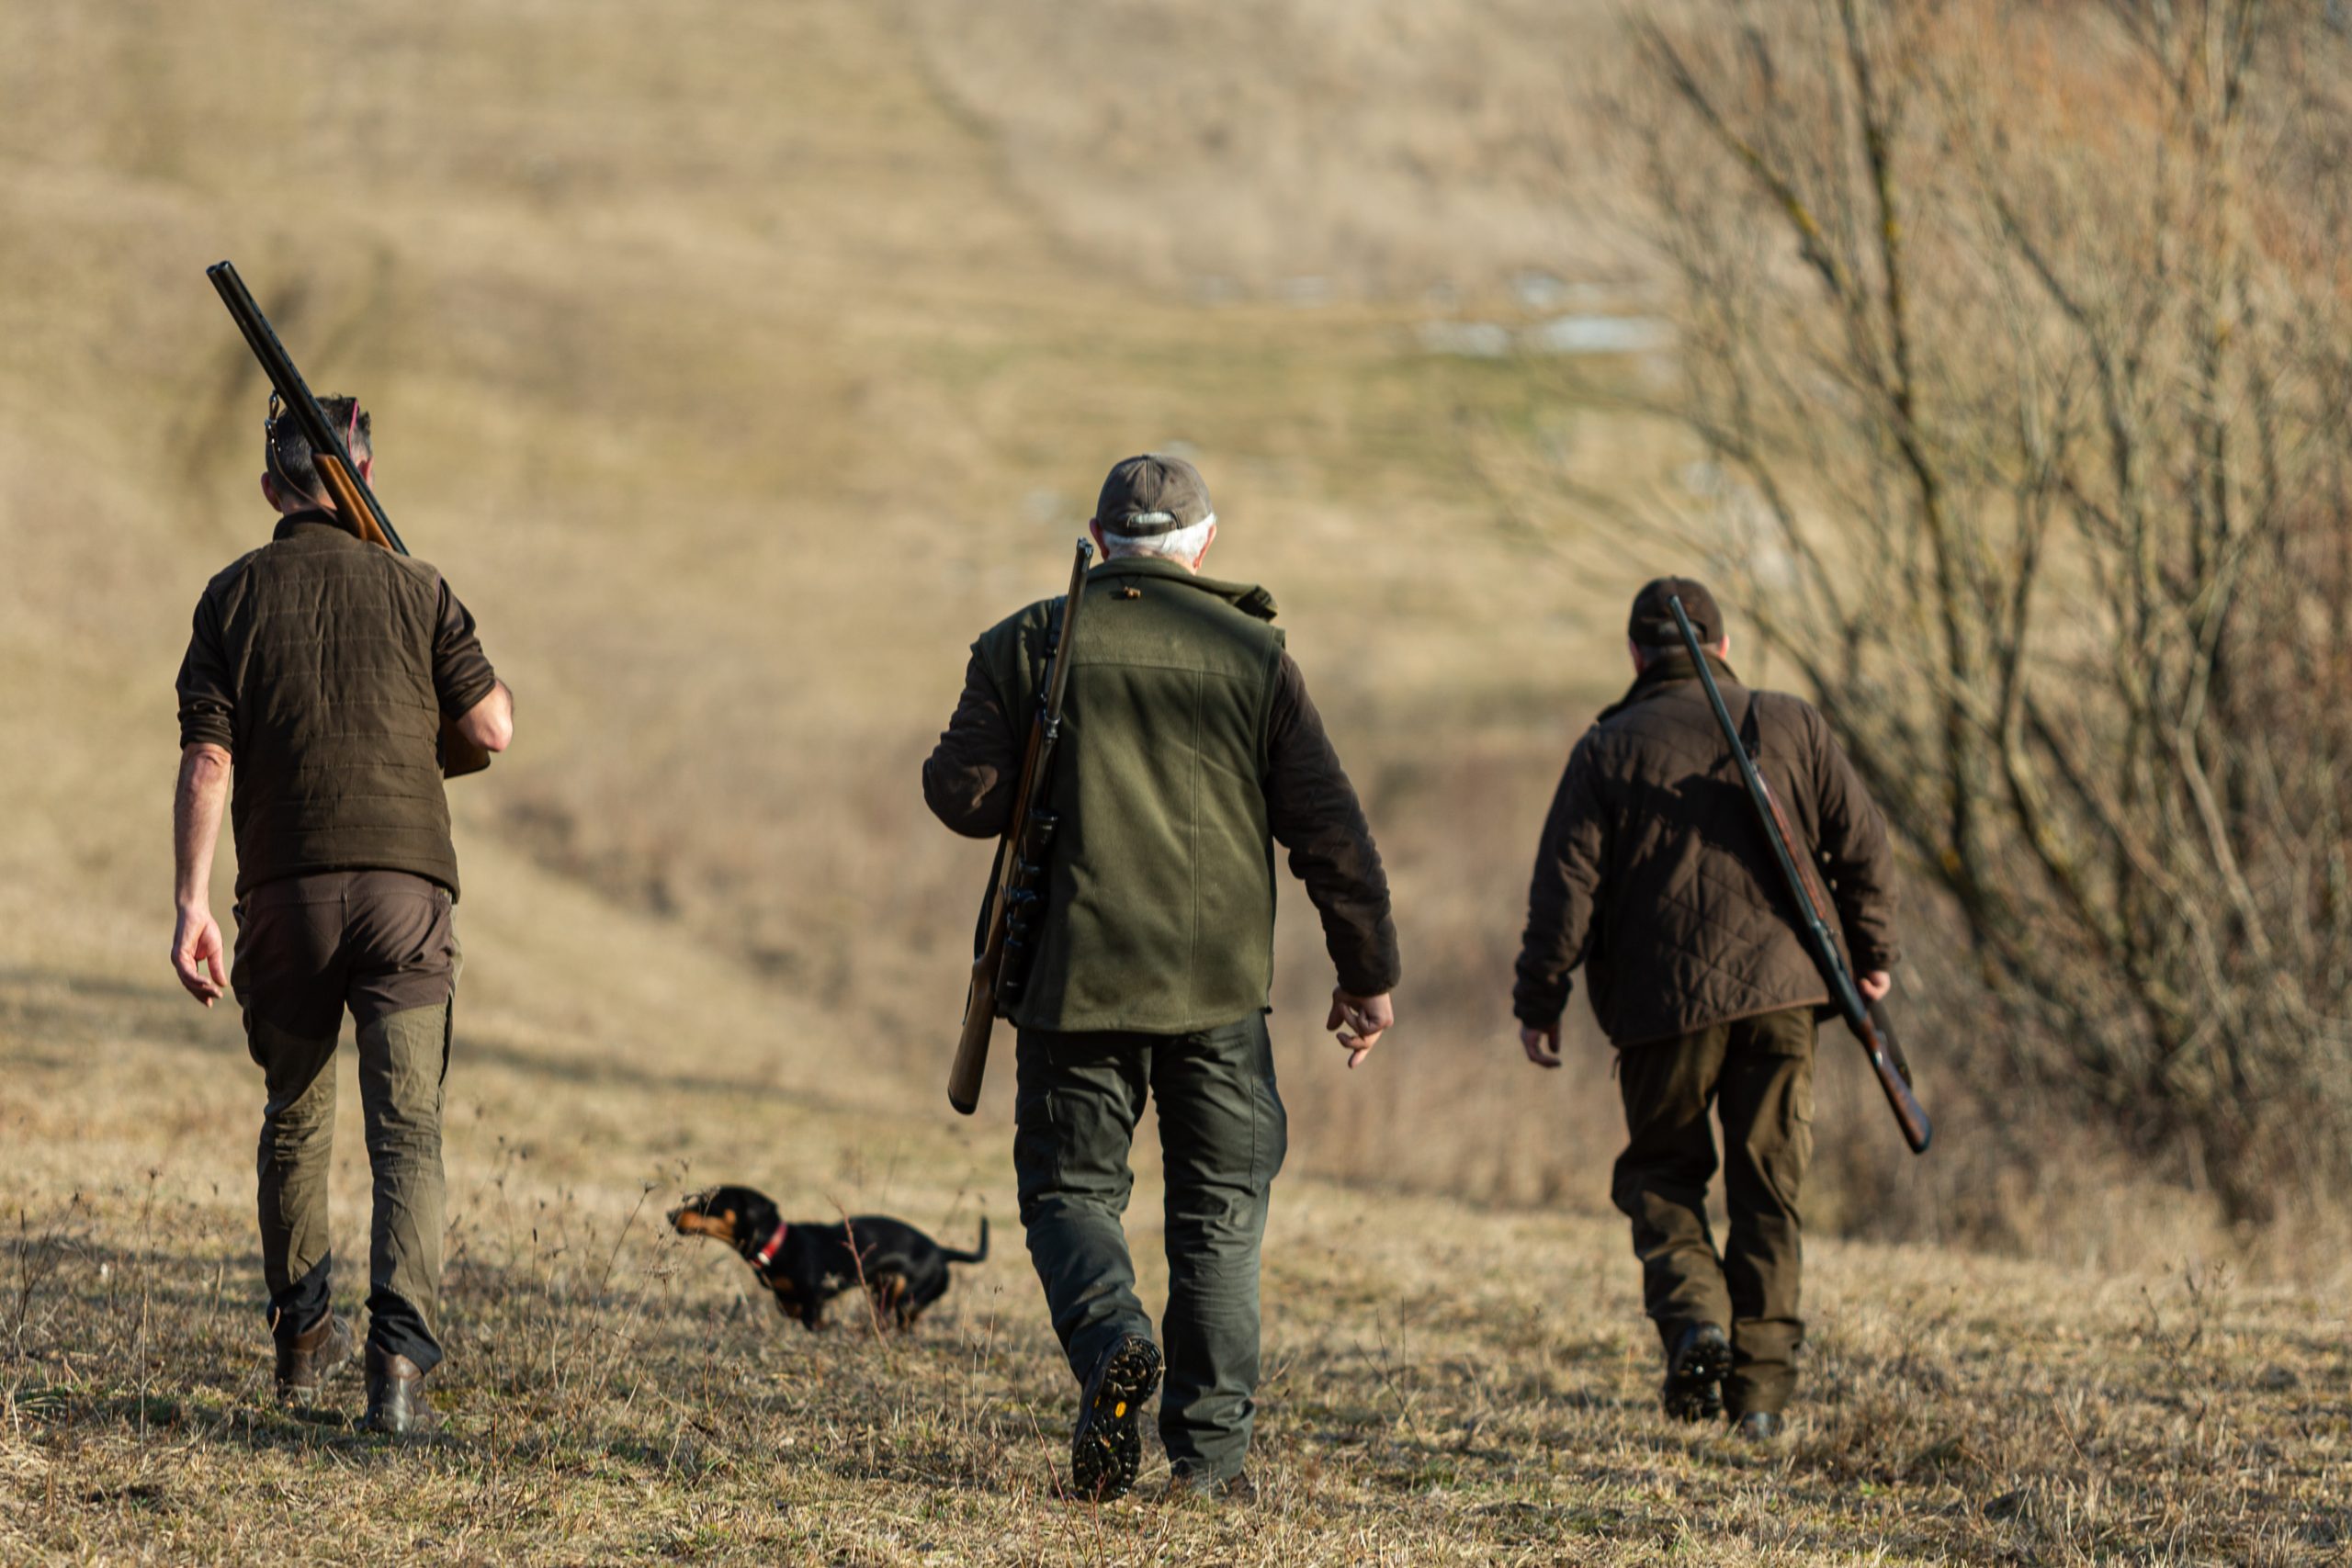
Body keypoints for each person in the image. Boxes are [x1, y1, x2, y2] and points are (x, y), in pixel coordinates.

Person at [924, 454, 1401, 1502]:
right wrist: (1365, 974)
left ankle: (1111, 1345)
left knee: (1069, 1192)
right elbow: (1330, 834)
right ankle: (1210, 1466)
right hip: (1219, 995)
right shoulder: (1255, 655)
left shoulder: (1028, 643)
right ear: (1203, 545)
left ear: (1098, 542)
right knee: (1220, 1215)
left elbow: (959, 795)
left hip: (1070, 982)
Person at [171, 395, 513, 1434]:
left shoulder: (230, 596)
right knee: (408, 1133)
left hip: (286, 897)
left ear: (272, 488)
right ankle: (398, 1373)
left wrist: (190, 899)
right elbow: (493, 728)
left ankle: (303, 1335)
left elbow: (209, 758)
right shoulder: (422, 586)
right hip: (409, 895)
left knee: (296, 1118)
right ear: (365, 477)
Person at [1511, 578, 1896, 1440]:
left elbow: (1563, 891)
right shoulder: (1792, 722)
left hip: (1661, 1010)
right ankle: (1759, 1399)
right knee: (1770, 1190)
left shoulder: (1606, 748)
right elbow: (1864, 845)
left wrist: (1542, 997)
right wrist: (1872, 957)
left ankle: (1698, 1326)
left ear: (1636, 657)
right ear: (1721, 647)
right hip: (1788, 994)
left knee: (1662, 1175)